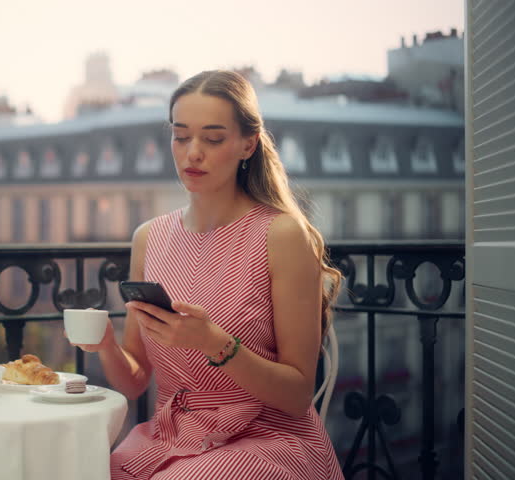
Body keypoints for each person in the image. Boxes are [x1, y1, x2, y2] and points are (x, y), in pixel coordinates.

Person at [74, 70, 344, 479]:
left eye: (213, 138)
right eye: (181, 137)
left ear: (247, 144)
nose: (192, 152)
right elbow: (135, 383)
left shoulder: (282, 234)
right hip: (171, 438)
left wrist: (214, 343)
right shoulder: (150, 238)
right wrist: (108, 345)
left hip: (268, 439)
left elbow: (297, 393)